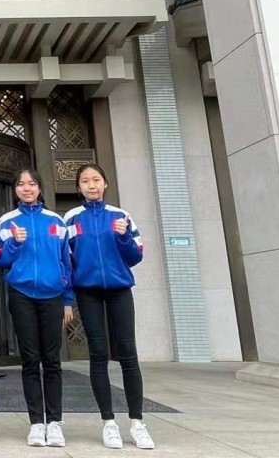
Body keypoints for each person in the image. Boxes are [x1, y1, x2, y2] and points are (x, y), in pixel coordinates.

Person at [64, 163, 155, 451]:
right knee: (98, 354)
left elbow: (135, 256)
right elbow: (66, 260)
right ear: (78, 187)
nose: (91, 185)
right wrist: (67, 298)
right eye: (85, 181)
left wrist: (123, 236)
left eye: (96, 180)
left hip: (119, 290)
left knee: (128, 354)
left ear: (105, 184)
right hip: (87, 291)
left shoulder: (121, 216)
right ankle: (108, 422)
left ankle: (137, 423)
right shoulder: (71, 218)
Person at [0, 168, 74, 448]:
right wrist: (14, 243)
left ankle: (55, 421)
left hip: (53, 296)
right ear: (15, 189)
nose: (27, 188)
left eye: (32, 184)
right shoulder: (6, 222)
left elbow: (67, 263)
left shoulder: (56, 221)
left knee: (52, 360)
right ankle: (37, 422)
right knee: (30, 360)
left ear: (39, 188)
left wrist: (67, 300)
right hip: (22, 295)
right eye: (21, 184)